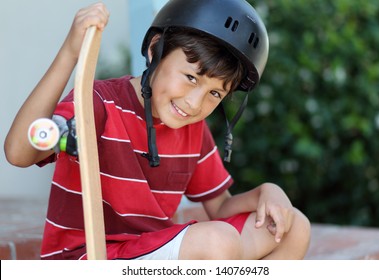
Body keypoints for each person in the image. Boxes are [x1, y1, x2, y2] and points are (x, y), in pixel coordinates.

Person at [4, 0, 310, 260]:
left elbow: (220, 207)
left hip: (149, 255)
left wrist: (269, 192)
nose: (194, 103)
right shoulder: (97, 104)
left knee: (292, 227)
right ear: (155, 50)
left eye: (215, 94)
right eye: (191, 77)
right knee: (217, 242)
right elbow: (19, 152)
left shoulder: (193, 130)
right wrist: (71, 53)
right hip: (88, 257)